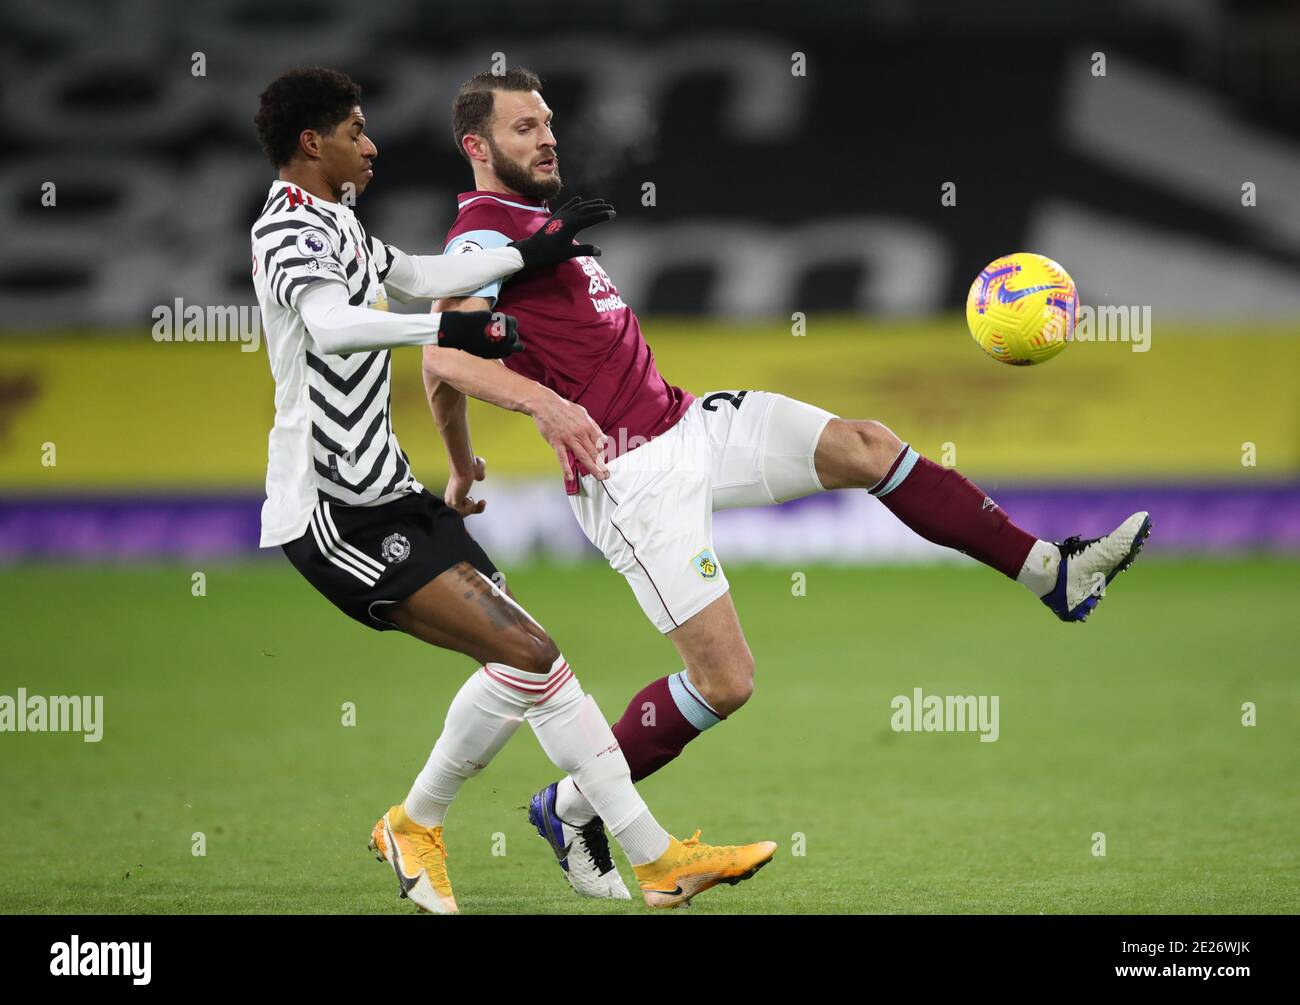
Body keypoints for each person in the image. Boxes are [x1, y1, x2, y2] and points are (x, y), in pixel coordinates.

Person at [427, 66, 1152, 899]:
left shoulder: (532, 225)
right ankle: (574, 804)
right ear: (477, 147)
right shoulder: (480, 238)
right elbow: (442, 355)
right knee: (726, 681)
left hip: (688, 421)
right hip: (625, 476)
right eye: (524, 128)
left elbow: (449, 375)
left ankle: (1054, 573)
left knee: (866, 447)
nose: (548, 136)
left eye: (548, 121)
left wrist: (457, 463)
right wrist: (545, 408)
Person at [250, 66, 775, 912]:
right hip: (332, 509)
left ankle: (415, 823)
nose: (371, 143)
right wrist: (452, 327)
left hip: (391, 491)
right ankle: (656, 857)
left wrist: (535, 248)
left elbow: (418, 271)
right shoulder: (285, 233)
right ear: (314, 144)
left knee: (515, 661)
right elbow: (333, 326)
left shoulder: (341, 225)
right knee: (535, 658)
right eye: (355, 129)